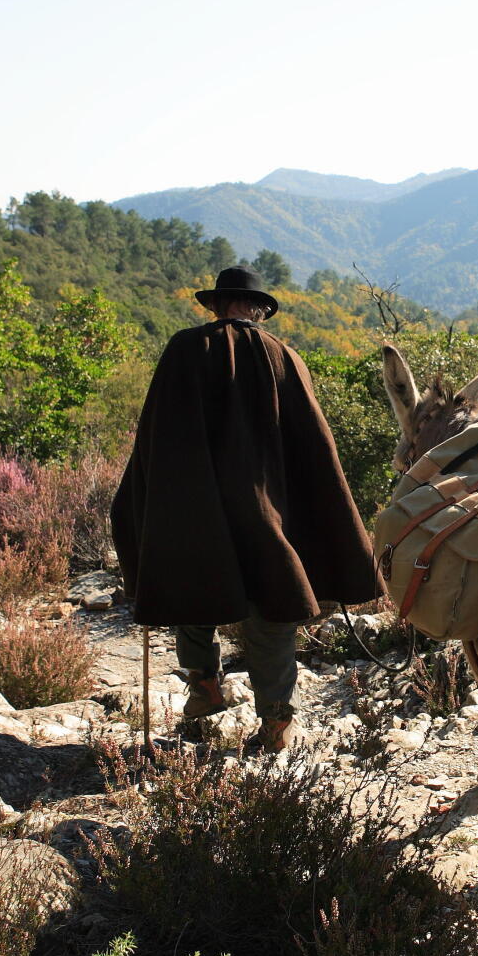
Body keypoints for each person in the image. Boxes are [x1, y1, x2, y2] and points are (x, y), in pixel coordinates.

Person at [111, 265, 383, 752]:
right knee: (273, 612)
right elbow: (315, 452)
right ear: (259, 308)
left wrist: (145, 503)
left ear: (216, 305)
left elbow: (157, 436)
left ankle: (205, 689)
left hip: (200, 509)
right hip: (269, 515)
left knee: (191, 594)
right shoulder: (287, 358)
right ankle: (277, 722)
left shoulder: (186, 349)